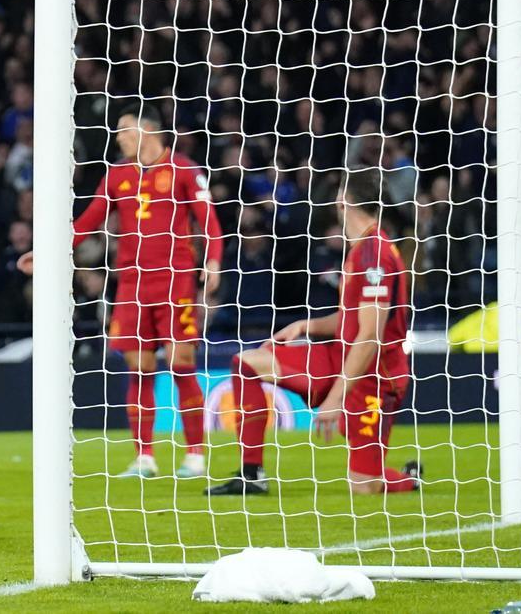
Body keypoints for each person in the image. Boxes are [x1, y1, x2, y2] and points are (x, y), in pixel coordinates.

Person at [205, 168, 420, 496]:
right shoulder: (361, 249)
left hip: (375, 376)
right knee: (247, 362)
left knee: (364, 485)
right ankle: (251, 474)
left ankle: (409, 477)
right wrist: (306, 325)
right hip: (338, 358)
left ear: (342, 201)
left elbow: (370, 337)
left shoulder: (375, 255)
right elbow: (352, 320)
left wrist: (334, 399)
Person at [72, 106, 224, 479]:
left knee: (181, 365)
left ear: (147, 130)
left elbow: (209, 220)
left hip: (175, 282)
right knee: (139, 369)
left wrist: (214, 259)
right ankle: (145, 458)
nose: (118, 137)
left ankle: (194, 456)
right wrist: (49, 251)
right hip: (132, 284)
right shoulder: (117, 175)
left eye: (124, 130)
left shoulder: (184, 169)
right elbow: (89, 219)